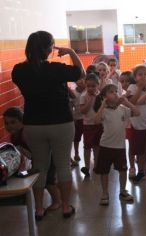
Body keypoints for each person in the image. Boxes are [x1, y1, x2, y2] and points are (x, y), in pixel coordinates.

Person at [12, 31, 84, 219]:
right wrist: (70, 52)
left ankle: (38, 209)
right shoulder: (56, 69)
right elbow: (80, 73)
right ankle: (66, 206)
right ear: (49, 48)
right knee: (62, 166)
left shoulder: (18, 70)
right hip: (61, 122)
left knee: (39, 166)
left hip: (34, 124)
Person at [3, 107, 62, 220]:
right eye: (6, 123)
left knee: (48, 181)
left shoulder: (25, 133)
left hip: (48, 157)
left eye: (13, 122)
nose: (9, 126)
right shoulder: (14, 136)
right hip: (39, 159)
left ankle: (57, 201)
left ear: (22, 121)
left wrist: (33, 165)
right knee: (43, 181)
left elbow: (36, 151)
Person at [93, 84, 139, 205]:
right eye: (111, 92)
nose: (115, 93)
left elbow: (137, 112)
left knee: (123, 170)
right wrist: (102, 105)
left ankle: (123, 190)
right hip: (105, 145)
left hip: (120, 147)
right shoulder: (104, 111)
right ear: (104, 97)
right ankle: (104, 193)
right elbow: (96, 120)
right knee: (104, 171)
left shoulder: (123, 109)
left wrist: (127, 103)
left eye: (116, 91)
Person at [127, 64, 146, 184]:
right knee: (137, 148)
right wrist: (139, 88)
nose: (143, 76)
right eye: (140, 74)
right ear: (135, 77)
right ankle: (135, 168)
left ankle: (143, 168)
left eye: (145, 74)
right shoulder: (132, 87)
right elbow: (132, 102)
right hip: (137, 123)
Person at [80, 73, 102, 177]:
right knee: (87, 147)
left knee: (97, 146)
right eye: (88, 86)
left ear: (98, 85)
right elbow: (83, 111)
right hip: (88, 125)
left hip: (99, 124)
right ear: (85, 85)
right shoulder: (83, 96)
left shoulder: (100, 95)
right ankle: (87, 167)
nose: (90, 88)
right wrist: (89, 101)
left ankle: (97, 165)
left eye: (93, 86)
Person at [69, 78, 86, 165]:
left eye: (83, 79)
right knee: (77, 137)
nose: (81, 81)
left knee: (87, 138)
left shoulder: (88, 91)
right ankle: (76, 152)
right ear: (75, 81)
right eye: (79, 80)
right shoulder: (73, 93)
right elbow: (71, 106)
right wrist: (73, 118)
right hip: (77, 118)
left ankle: (88, 153)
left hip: (87, 118)